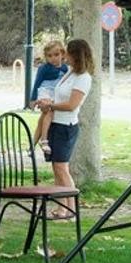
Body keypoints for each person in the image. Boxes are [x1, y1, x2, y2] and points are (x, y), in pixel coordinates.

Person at [34, 37, 94, 216]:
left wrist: (51, 106)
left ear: (76, 55)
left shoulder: (83, 78)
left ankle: (71, 208)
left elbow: (71, 105)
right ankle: (62, 206)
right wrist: (47, 101)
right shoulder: (69, 72)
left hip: (66, 126)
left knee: (62, 168)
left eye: (68, 52)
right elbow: (58, 94)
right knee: (56, 168)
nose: (64, 55)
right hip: (56, 123)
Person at [30, 39, 68, 160]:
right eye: (50, 56)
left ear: (62, 54)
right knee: (49, 112)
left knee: (43, 119)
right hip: (45, 91)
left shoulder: (66, 68)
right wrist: (33, 99)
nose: (53, 58)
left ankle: (32, 145)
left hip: (55, 94)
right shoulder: (44, 68)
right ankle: (44, 140)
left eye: (56, 55)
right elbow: (37, 83)